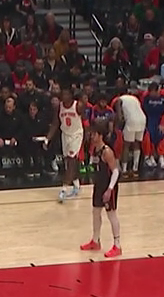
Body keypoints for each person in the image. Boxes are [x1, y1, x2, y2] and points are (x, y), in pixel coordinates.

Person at [80, 121, 122, 258]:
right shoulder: (94, 150)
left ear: (100, 135)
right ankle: (95, 241)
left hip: (108, 186)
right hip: (99, 185)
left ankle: (117, 246)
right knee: (96, 212)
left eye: (93, 134)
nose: (91, 137)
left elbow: (115, 171)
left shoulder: (107, 151)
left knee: (111, 215)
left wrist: (109, 189)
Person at [55, 89, 84, 201]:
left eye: (66, 94)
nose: (64, 96)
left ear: (71, 95)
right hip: (65, 135)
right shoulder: (59, 106)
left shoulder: (78, 105)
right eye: (63, 94)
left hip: (76, 135)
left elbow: (85, 120)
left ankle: (64, 189)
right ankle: (76, 186)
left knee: (71, 161)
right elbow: (55, 122)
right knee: (68, 161)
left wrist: (87, 135)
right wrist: (48, 138)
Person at [115, 92, 147, 176]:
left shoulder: (118, 100)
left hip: (131, 121)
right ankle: (135, 169)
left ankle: (124, 170)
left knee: (126, 145)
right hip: (142, 119)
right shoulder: (135, 98)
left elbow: (119, 117)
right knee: (137, 144)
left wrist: (118, 127)